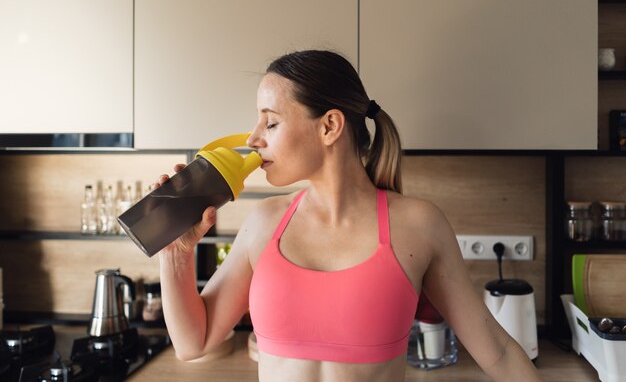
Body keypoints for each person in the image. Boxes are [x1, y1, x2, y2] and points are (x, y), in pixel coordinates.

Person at [153, 50, 543, 382]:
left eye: (270, 122)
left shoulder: (419, 226)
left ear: (330, 126)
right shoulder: (262, 223)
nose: (253, 139)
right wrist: (175, 254)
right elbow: (194, 343)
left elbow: (499, 353)